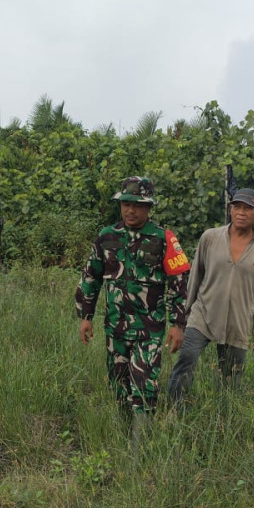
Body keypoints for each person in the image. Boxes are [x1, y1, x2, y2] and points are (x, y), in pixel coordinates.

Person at [75, 176, 191, 422]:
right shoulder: (106, 237)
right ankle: (122, 438)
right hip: (115, 329)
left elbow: (179, 284)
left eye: (137, 204)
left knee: (144, 388)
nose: (130, 210)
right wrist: (85, 317)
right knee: (118, 387)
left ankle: (140, 452)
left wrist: (178, 324)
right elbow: (90, 277)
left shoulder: (164, 239)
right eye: (126, 204)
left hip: (149, 331)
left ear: (148, 207)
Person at [167, 187, 254, 406]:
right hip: (203, 313)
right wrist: (181, 317)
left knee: (231, 374)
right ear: (230, 209)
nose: (241, 213)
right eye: (237, 207)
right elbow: (195, 277)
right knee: (187, 358)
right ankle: (174, 409)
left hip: (238, 319)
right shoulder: (211, 237)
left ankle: (223, 417)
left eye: (248, 208)